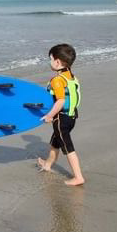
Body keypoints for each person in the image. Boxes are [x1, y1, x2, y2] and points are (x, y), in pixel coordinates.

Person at [37, 43, 85, 186]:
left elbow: (60, 101)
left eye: (50, 59)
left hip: (61, 118)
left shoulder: (58, 80)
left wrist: (49, 115)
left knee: (67, 147)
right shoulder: (71, 78)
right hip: (71, 117)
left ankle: (78, 177)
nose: (50, 62)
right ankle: (47, 164)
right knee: (55, 142)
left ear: (57, 62)